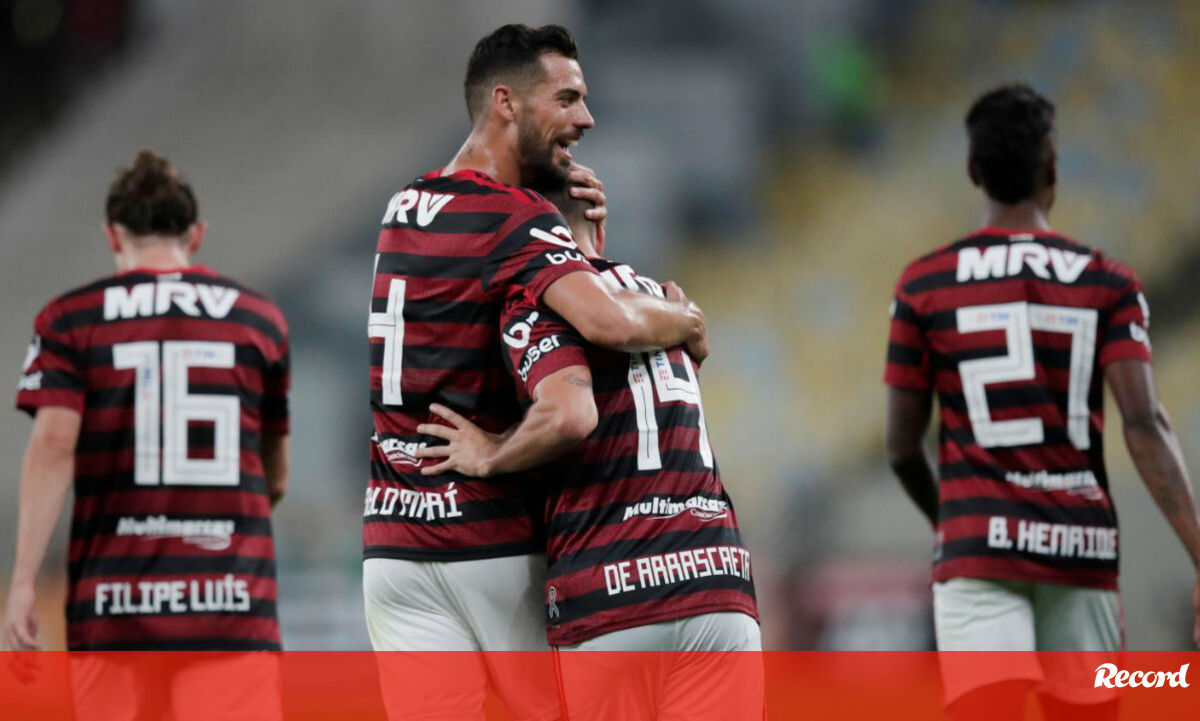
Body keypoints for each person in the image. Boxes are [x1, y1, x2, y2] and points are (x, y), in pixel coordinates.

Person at [361, 23, 708, 721]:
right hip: (487, 540)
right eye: (567, 98)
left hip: (393, 546)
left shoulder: (403, 206)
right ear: (506, 102)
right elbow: (609, 325)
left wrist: (572, 246)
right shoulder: (516, 219)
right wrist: (689, 319)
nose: (587, 118)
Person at [884, 84, 1200, 721]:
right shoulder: (1108, 282)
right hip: (1079, 549)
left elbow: (901, 447)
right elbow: (1144, 424)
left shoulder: (924, 284)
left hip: (978, 549)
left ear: (973, 170)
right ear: (1051, 168)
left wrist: (954, 521)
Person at [416, 188, 762, 720]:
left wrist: (492, 453)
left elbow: (566, 415)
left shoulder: (534, 303)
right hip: (716, 580)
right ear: (598, 228)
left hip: (610, 588)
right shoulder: (667, 302)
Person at [3, 150, 290, 719]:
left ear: (113, 235)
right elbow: (274, 475)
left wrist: (23, 582)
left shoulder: (70, 320)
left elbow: (54, 447)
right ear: (197, 234)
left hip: (113, 605)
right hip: (228, 600)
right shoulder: (258, 319)